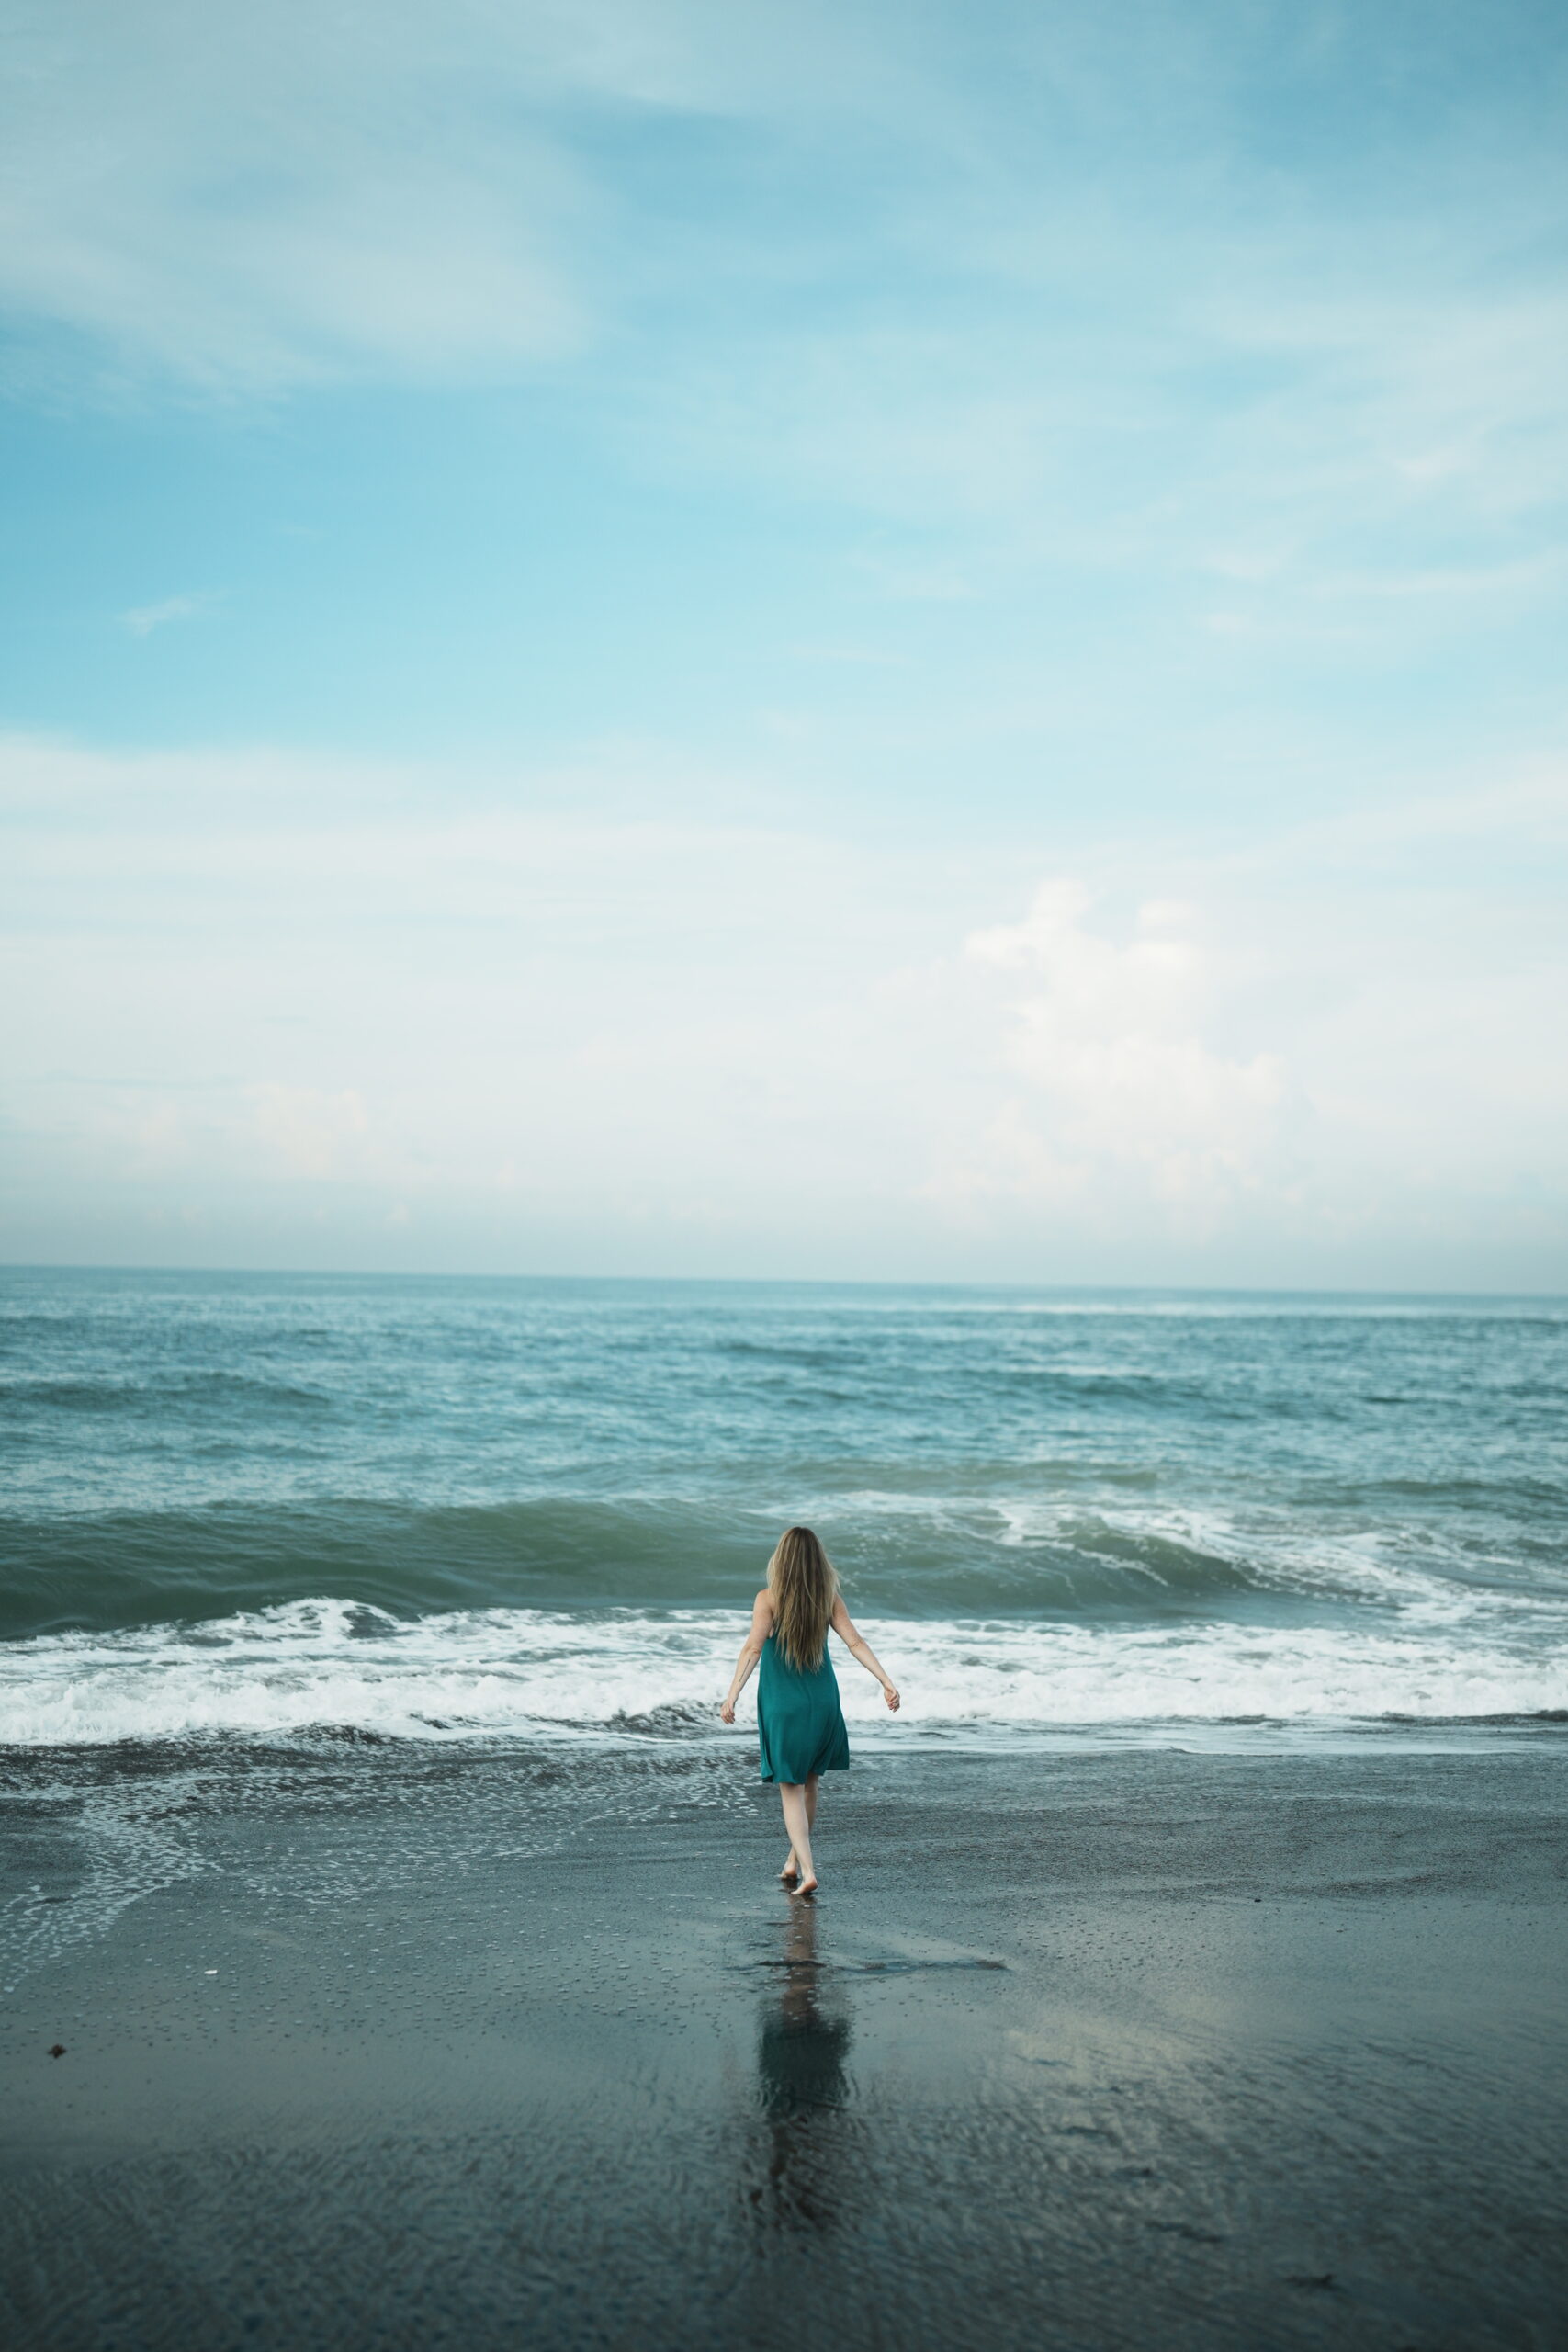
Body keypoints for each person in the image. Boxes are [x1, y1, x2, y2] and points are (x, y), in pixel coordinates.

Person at [720, 1526, 900, 1895]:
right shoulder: (828, 1598)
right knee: (810, 1785)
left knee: (790, 1788)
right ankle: (792, 1861)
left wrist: (732, 1694)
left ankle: (809, 1869)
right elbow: (855, 1641)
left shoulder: (767, 1599)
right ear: (818, 1561)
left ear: (780, 1559)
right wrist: (886, 1681)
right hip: (823, 1703)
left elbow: (753, 1649)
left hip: (783, 1705)